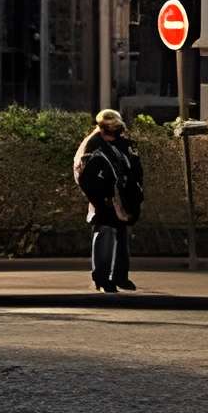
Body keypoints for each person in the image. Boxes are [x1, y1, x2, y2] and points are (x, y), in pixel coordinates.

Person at [73, 108, 145, 296]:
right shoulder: (93, 145)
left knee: (121, 235)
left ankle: (119, 276)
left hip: (122, 197)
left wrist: (134, 193)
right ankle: (102, 278)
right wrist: (101, 199)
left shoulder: (124, 144)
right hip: (103, 199)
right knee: (105, 232)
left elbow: (135, 169)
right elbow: (85, 177)